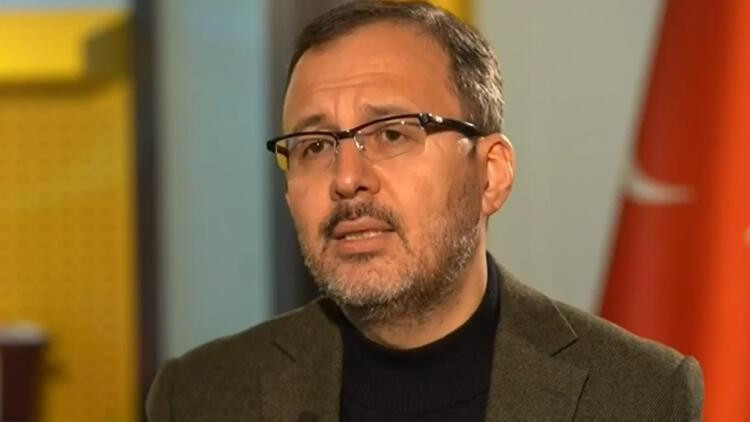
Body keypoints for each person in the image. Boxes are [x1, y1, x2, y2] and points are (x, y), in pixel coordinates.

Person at [146, 1, 704, 421]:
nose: (346, 179)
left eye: (391, 133)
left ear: (490, 175)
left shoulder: (638, 394)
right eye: (314, 146)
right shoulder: (200, 397)